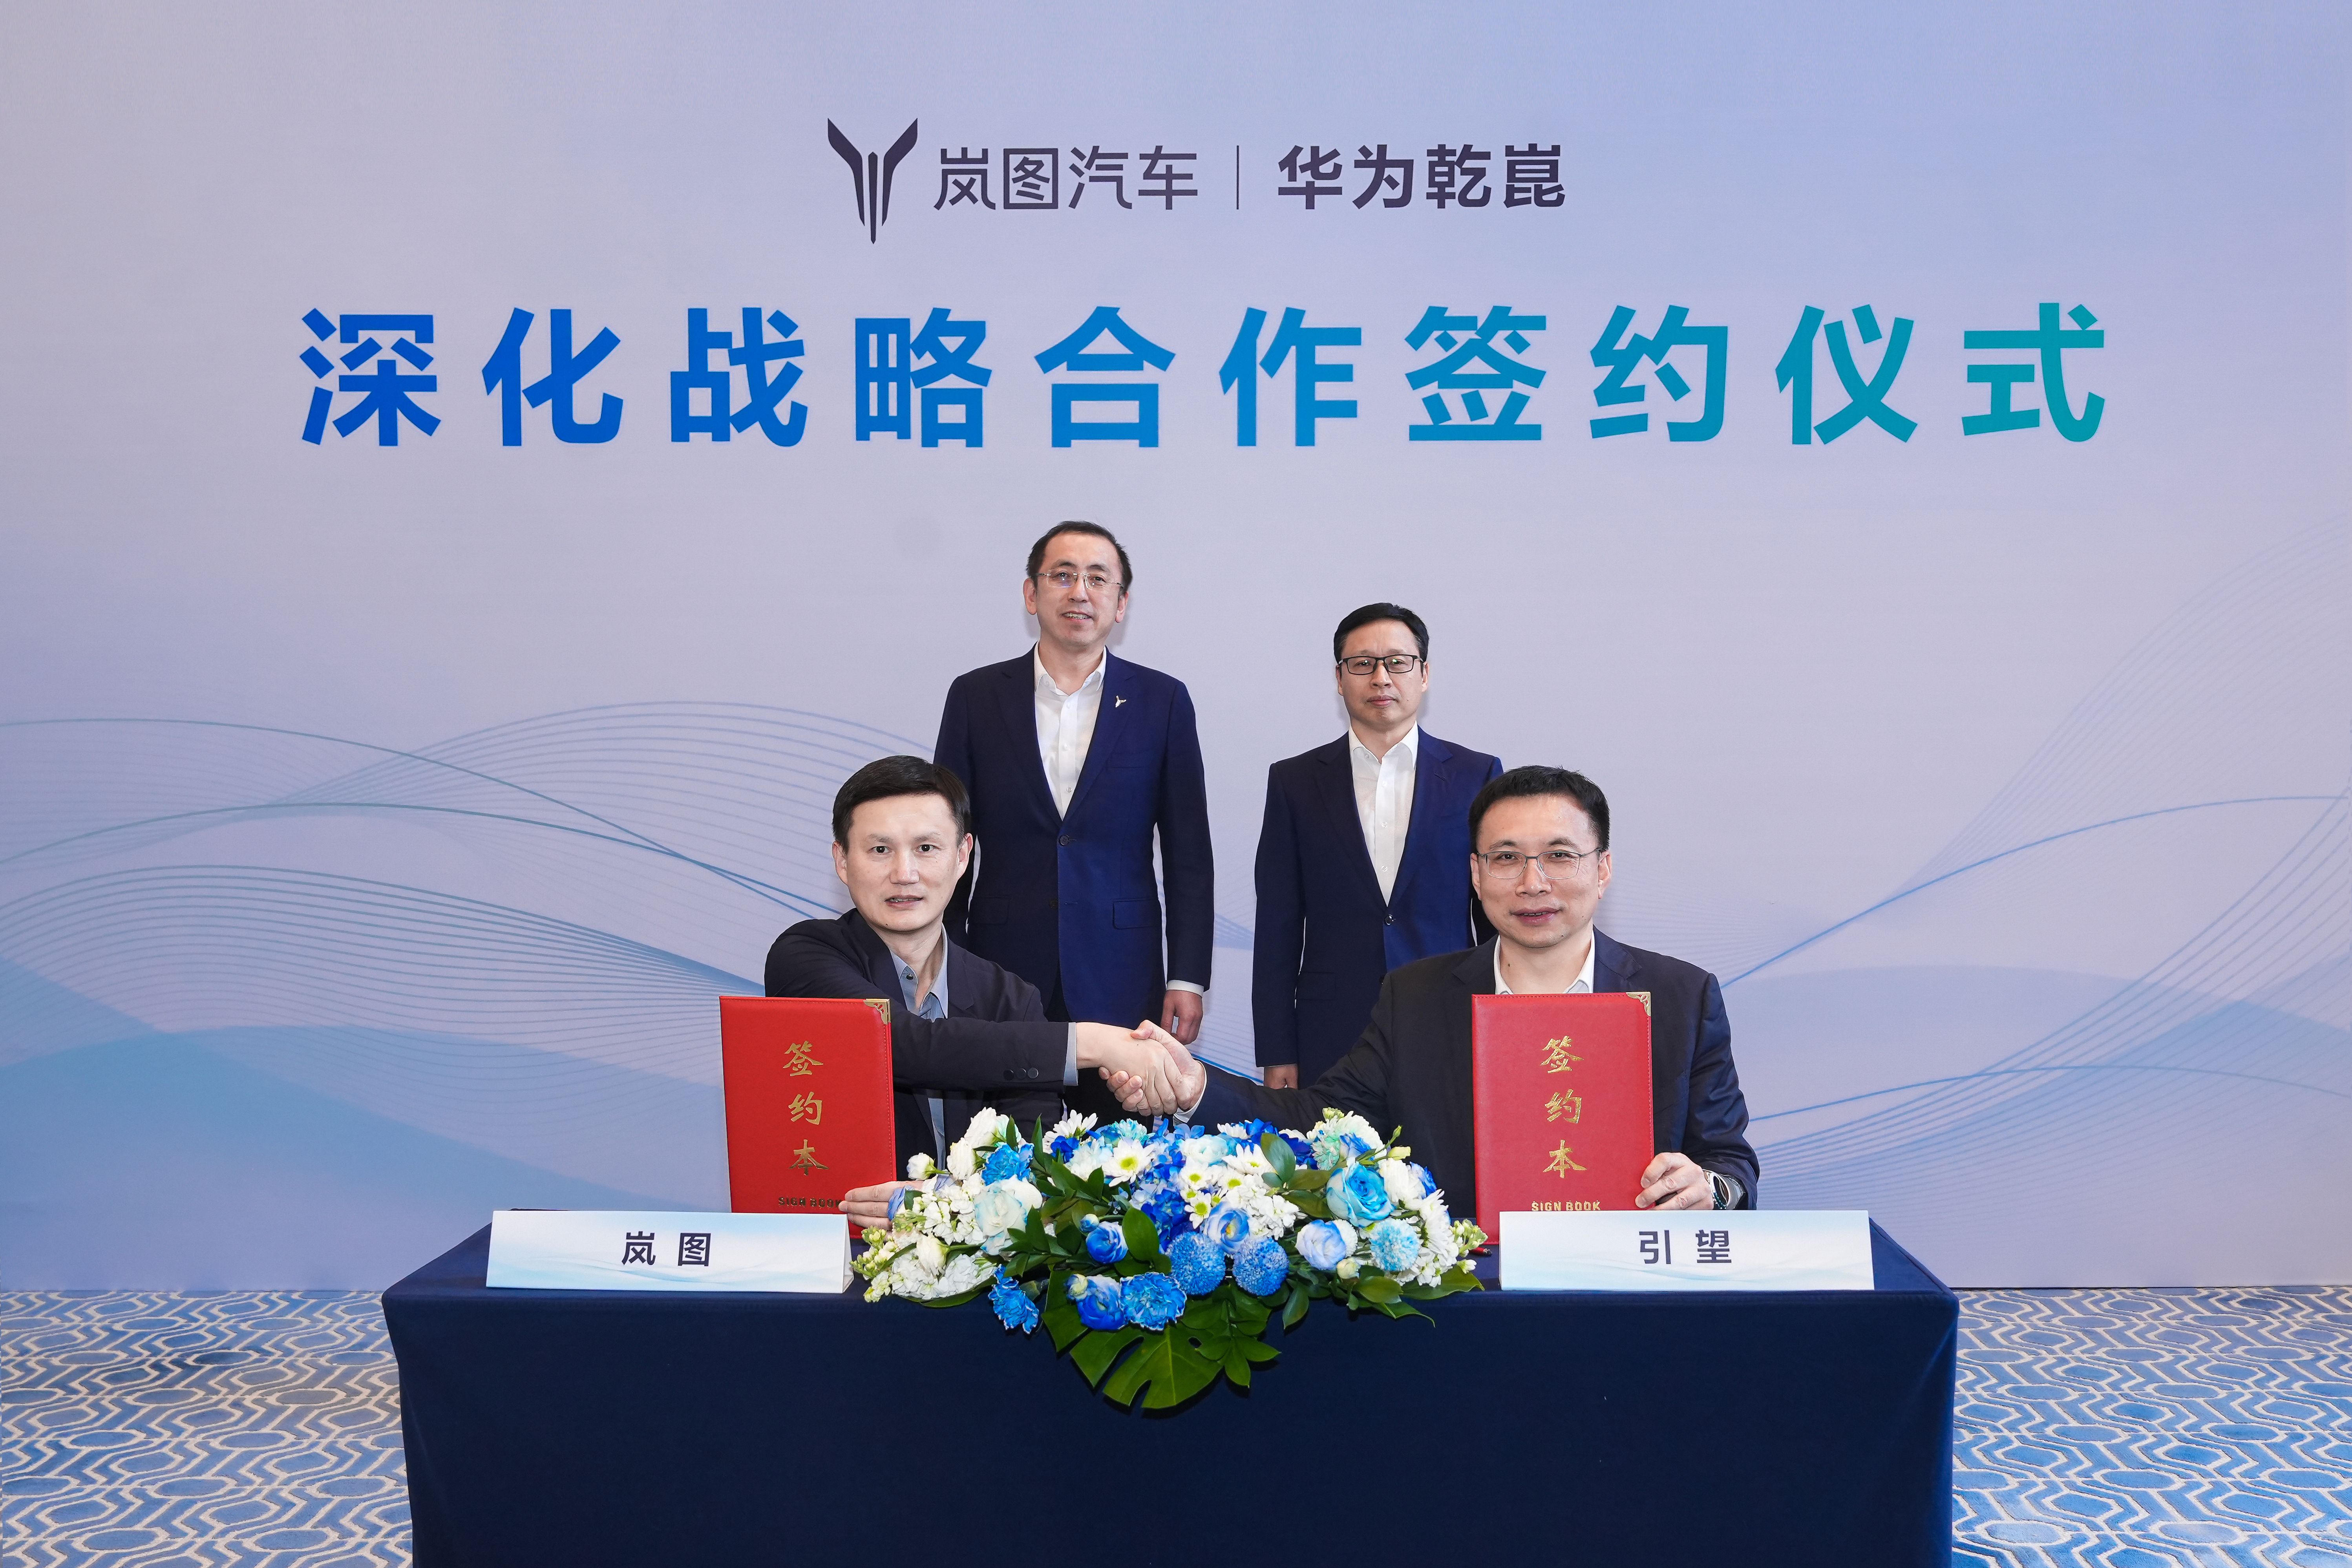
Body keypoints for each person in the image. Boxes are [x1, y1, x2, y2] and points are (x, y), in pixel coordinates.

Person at [1112, 766, 1758, 1218]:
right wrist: (1196, 1087)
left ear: (1603, 867)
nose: (1532, 882)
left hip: (1625, 1295)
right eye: (1506, 857)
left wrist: (1709, 1187)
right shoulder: (1416, 996)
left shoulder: (1681, 997)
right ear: (1475, 874)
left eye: (1560, 855)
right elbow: (1317, 1119)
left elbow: (1730, 1163)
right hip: (1467, 1302)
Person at [765, 756, 1195, 1230]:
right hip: (838, 1244)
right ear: (843, 861)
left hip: (972, 1259)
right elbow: (899, 1042)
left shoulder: (1011, 999)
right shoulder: (804, 955)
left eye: (926, 848)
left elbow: (1025, 1163)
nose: (905, 873)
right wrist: (1093, 1042)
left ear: (963, 855)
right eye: (880, 849)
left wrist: (943, 1201)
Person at [934, 522, 1214, 1117]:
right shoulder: (976, 697)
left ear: (1121, 602)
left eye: (1097, 579)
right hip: (1000, 965)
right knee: (998, 1146)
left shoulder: (1162, 700)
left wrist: (1187, 977)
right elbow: (948, 841)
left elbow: (1188, 853)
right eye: (1061, 576)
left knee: (1120, 1151)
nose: (1079, 592)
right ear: (1031, 594)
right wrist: (945, 961)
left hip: (1121, 969)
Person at [1253, 602, 1501, 1089]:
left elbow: (1496, 915)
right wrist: (1278, 1048)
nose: (1381, 678)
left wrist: (1507, 1024)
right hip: (1332, 1027)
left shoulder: (1477, 776)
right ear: (1339, 678)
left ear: (1424, 674)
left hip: (1452, 1020)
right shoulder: (1295, 782)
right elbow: (1278, 925)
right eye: (1363, 663)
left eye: (1398, 662)